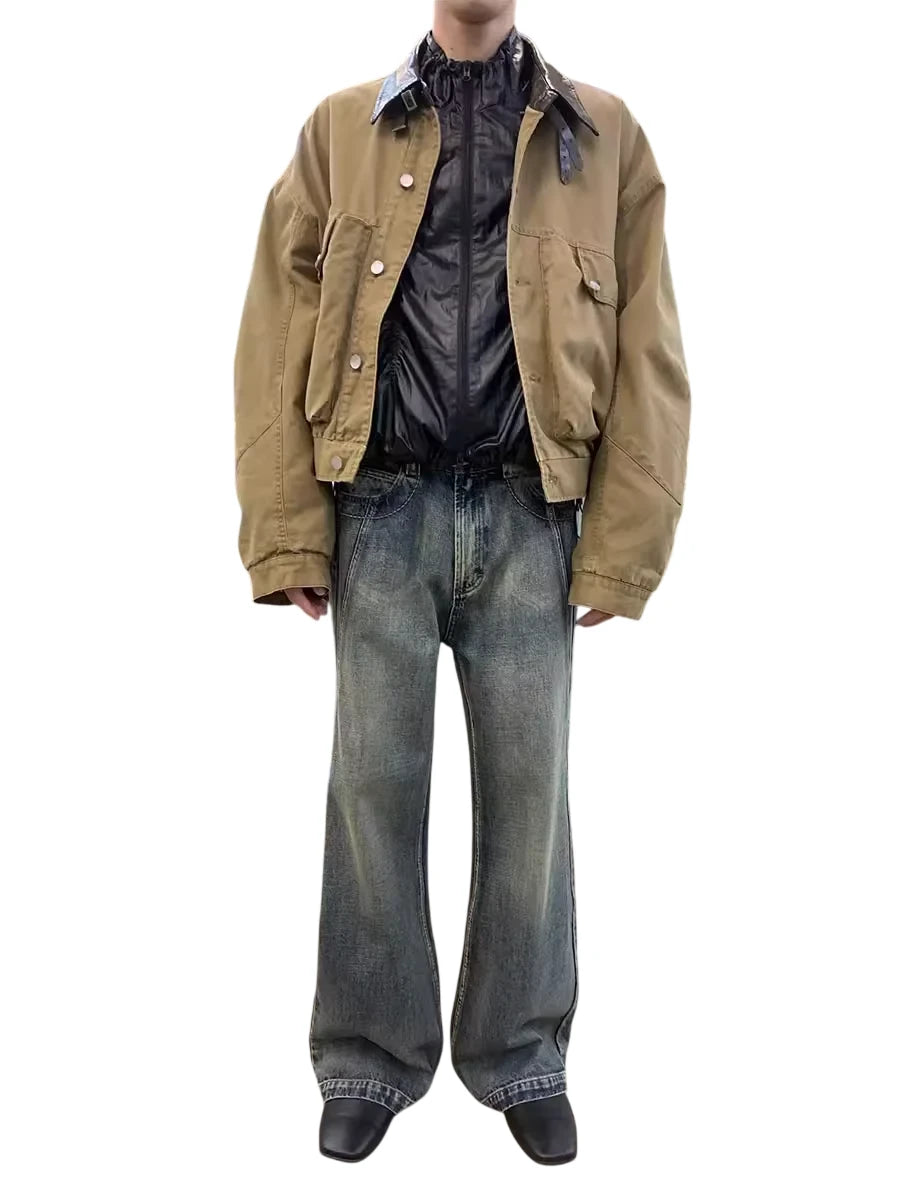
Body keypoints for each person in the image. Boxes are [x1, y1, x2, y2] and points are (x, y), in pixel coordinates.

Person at [233, 0, 690, 1165]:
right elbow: (274, 334)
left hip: (535, 516)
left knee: (532, 799)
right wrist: (288, 533)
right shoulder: (340, 129)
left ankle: (522, 1052)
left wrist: (623, 541)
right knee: (372, 793)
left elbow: (649, 346)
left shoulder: (606, 135)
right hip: (380, 510)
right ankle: (368, 1058)